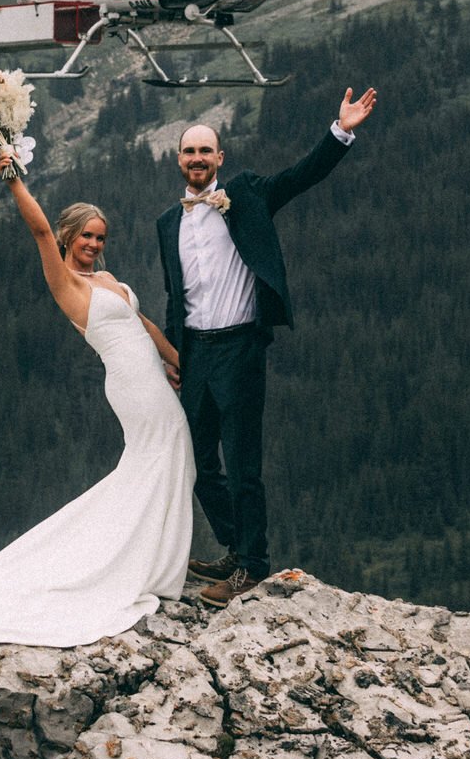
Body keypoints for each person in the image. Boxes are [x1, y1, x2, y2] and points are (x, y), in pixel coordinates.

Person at [0, 164, 194, 677]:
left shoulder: (108, 279)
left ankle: (149, 559)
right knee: (162, 455)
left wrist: (177, 361)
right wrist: (13, 181)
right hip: (131, 388)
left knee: (168, 457)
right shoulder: (66, 281)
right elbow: (40, 230)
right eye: (86, 235)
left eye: (100, 236)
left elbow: (144, 323)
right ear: (69, 236)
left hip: (152, 379)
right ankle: (138, 565)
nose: (94, 243)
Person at [156, 87, 377, 609]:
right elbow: (175, 295)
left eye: (206, 151)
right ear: (178, 160)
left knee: (243, 459)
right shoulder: (169, 223)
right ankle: (237, 547)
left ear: (220, 159)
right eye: (189, 152)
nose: (197, 159)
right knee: (198, 462)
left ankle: (252, 567)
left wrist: (340, 131)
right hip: (197, 354)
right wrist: (175, 356)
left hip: (240, 348)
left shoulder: (248, 194)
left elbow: (301, 177)